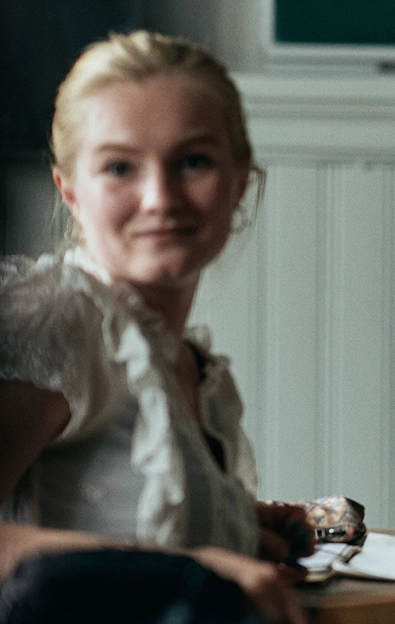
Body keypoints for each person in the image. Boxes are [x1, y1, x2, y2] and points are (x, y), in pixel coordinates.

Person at [0, 32, 309, 624]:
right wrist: (187, 573)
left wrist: (238, 527)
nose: (159, 198)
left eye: (193, 161)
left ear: (240, 179)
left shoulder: (191, 367)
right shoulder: (50, 321)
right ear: (69, 190)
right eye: (120, 167)